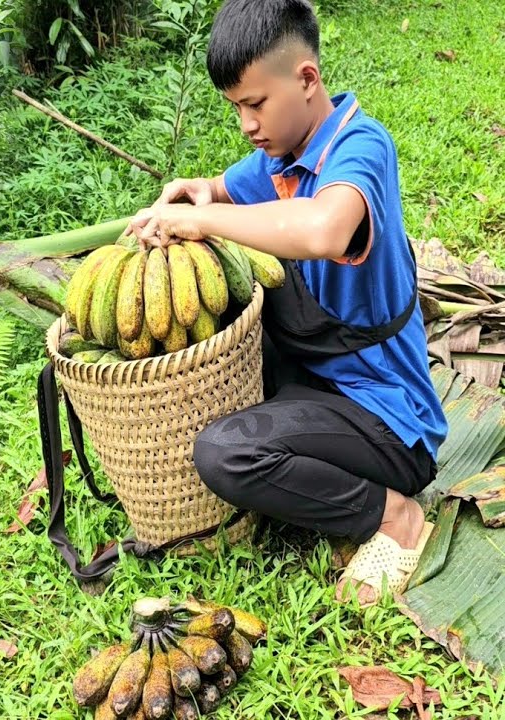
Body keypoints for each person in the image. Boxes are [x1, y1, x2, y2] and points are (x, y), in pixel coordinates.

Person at [128, 0, 447, 607]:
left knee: (225, 453)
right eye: (236, 108)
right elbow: (225, 188)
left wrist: (206, 222)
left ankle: (393, 516)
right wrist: (198, 194)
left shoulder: (360, 147)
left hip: (388, 418)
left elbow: (323, 228)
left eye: (255, 104)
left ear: (306, 80)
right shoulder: (279, 158)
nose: (247, 123)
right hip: (319, 390)